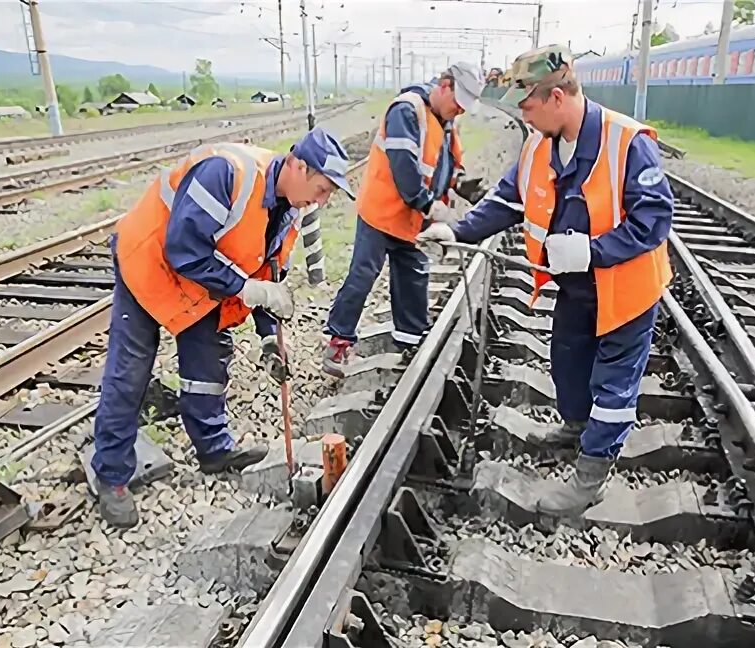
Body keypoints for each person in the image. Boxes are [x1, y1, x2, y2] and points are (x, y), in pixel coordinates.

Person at [418, 45, 674, 516]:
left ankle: (591, 476)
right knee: (568, 366)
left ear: (557, 97)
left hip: (628, 289)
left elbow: (655, 219)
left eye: (528, 106)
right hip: (577, 287)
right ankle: (577, 429)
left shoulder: (627, 142)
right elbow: (507, 201)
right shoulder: (541, 143)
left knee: (613, 384)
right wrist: (456, 229)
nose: (524, 116)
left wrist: (592, 251)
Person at [92, 127, 355, 528]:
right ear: (299, 166)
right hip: (149, 265)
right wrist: (248, 288)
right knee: (130, 372)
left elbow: (266, 272)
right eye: (321, 189)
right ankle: (111, 476)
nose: (320, 201)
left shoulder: (288, 208)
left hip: (202, 283)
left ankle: (214, 450)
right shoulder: (227, 173)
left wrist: (269, 337)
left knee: (208, 367)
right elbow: (184, 249)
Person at [321, 61, 490, 377]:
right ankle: (338, 343)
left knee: (413, 274)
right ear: (444, 86)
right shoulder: (407, 110)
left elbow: (449, 165)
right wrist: (431, 207)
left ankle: (409, 341)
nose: (460, 111)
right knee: (363, 275)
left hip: (411, 216)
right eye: (458, 103)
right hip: (381, 211)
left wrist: (468, 187)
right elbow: (405, 169)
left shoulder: (447, 120)